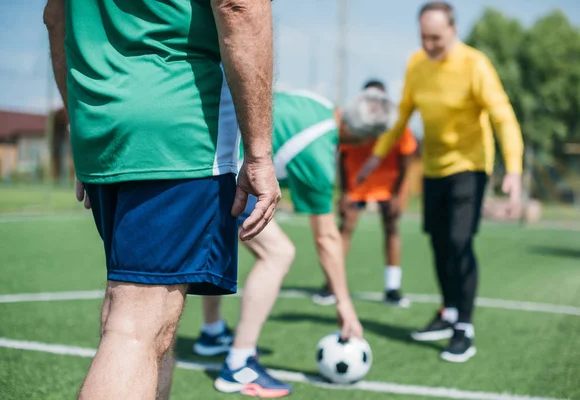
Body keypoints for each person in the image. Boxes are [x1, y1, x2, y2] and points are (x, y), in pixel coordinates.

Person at [44, 1, 281, 399]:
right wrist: (258, 153)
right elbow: (239, 6)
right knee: (137, 328)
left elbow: (55, 17)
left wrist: (79, 122)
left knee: (147, 319)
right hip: (178, 130)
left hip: (101, 127)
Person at [358, 1, 523, 363]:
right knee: (438, 243)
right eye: (424, 37)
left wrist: (513, 168)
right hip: (433, 168)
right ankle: (448, 312)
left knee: (459, 242)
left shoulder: (474, 65)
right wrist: (375, 156)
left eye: (436, 37)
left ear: (453, 30)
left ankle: (464, 326)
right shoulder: (417, 63)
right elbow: (402, 116)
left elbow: (503, 116)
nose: (429, 44)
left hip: (470, 165)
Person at [196, 89, 375, 398]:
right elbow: (327, 237)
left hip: (205, 156)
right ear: (359, 140)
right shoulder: (319, 152)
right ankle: (239, 365)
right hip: (225, 173)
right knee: (278, 253)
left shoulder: (317, 102)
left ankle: (212, 333)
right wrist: (344, 304)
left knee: (227, 238)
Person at [312, 80, 417, 308]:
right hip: (357, 184)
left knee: (391, 227)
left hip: (388, 184)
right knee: (345, 227)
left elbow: (407, 155)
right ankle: (332, 284)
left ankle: (392, 288)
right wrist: (345, 192)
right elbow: (343, 154)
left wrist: (398, 193)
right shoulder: (354, 120)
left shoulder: (397, 124)